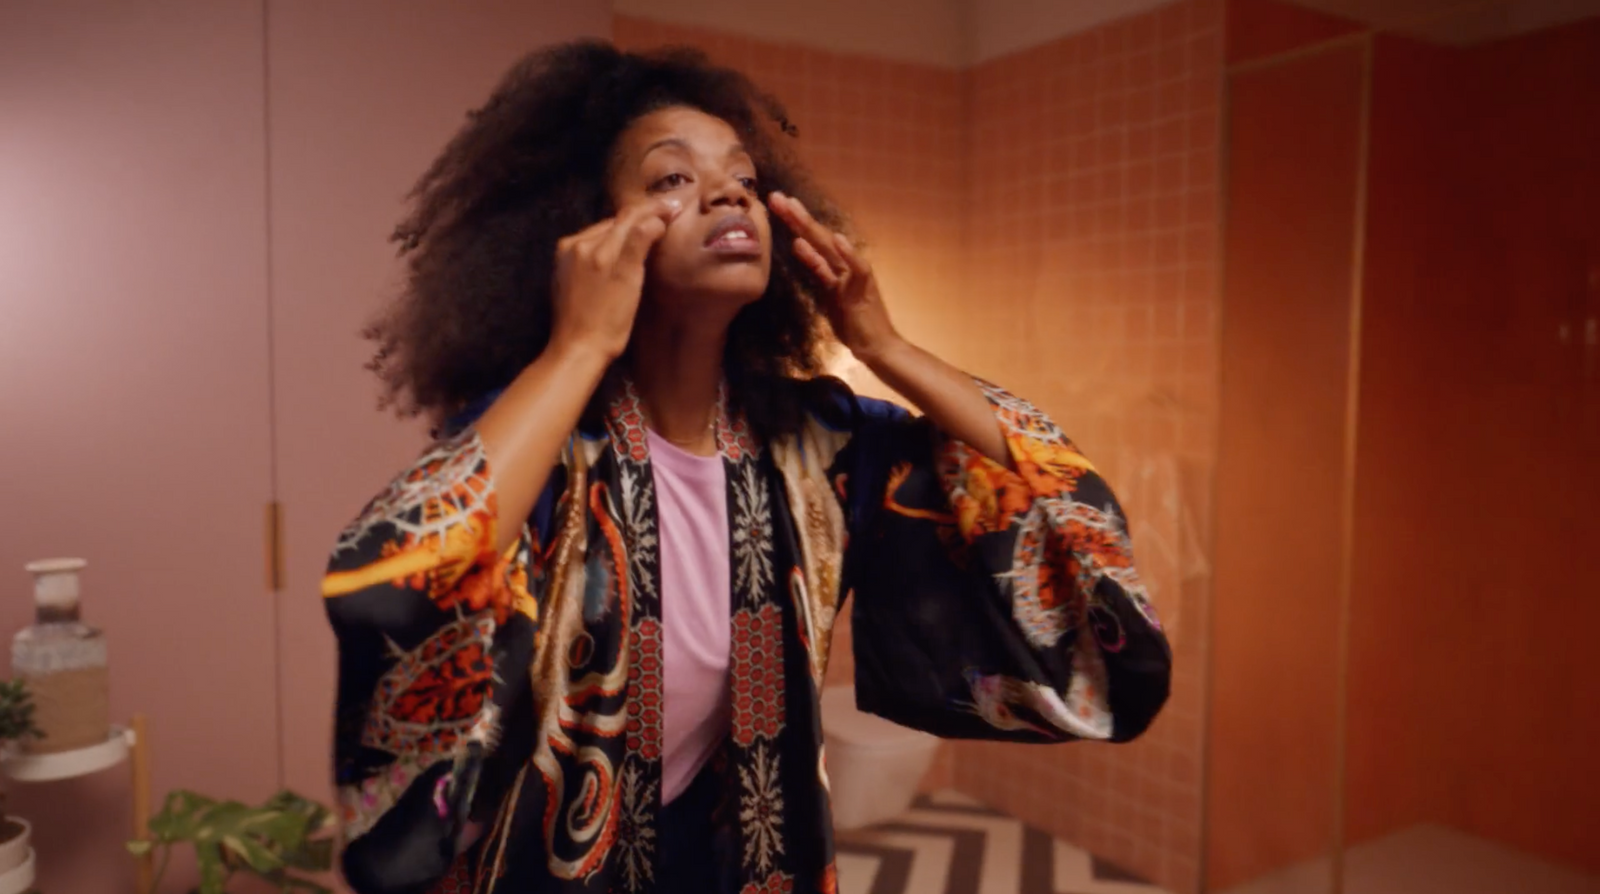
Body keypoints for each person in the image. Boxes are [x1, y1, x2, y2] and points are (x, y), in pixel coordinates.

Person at [322, 40, 1171, 894]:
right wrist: (577, 345)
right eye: (670, 179)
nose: (729, 192)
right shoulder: (544, 439)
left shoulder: (820, 442)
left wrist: (883, 345)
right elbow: (403, 580)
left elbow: (1052, 494)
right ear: (587, 233)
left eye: (741, 175)